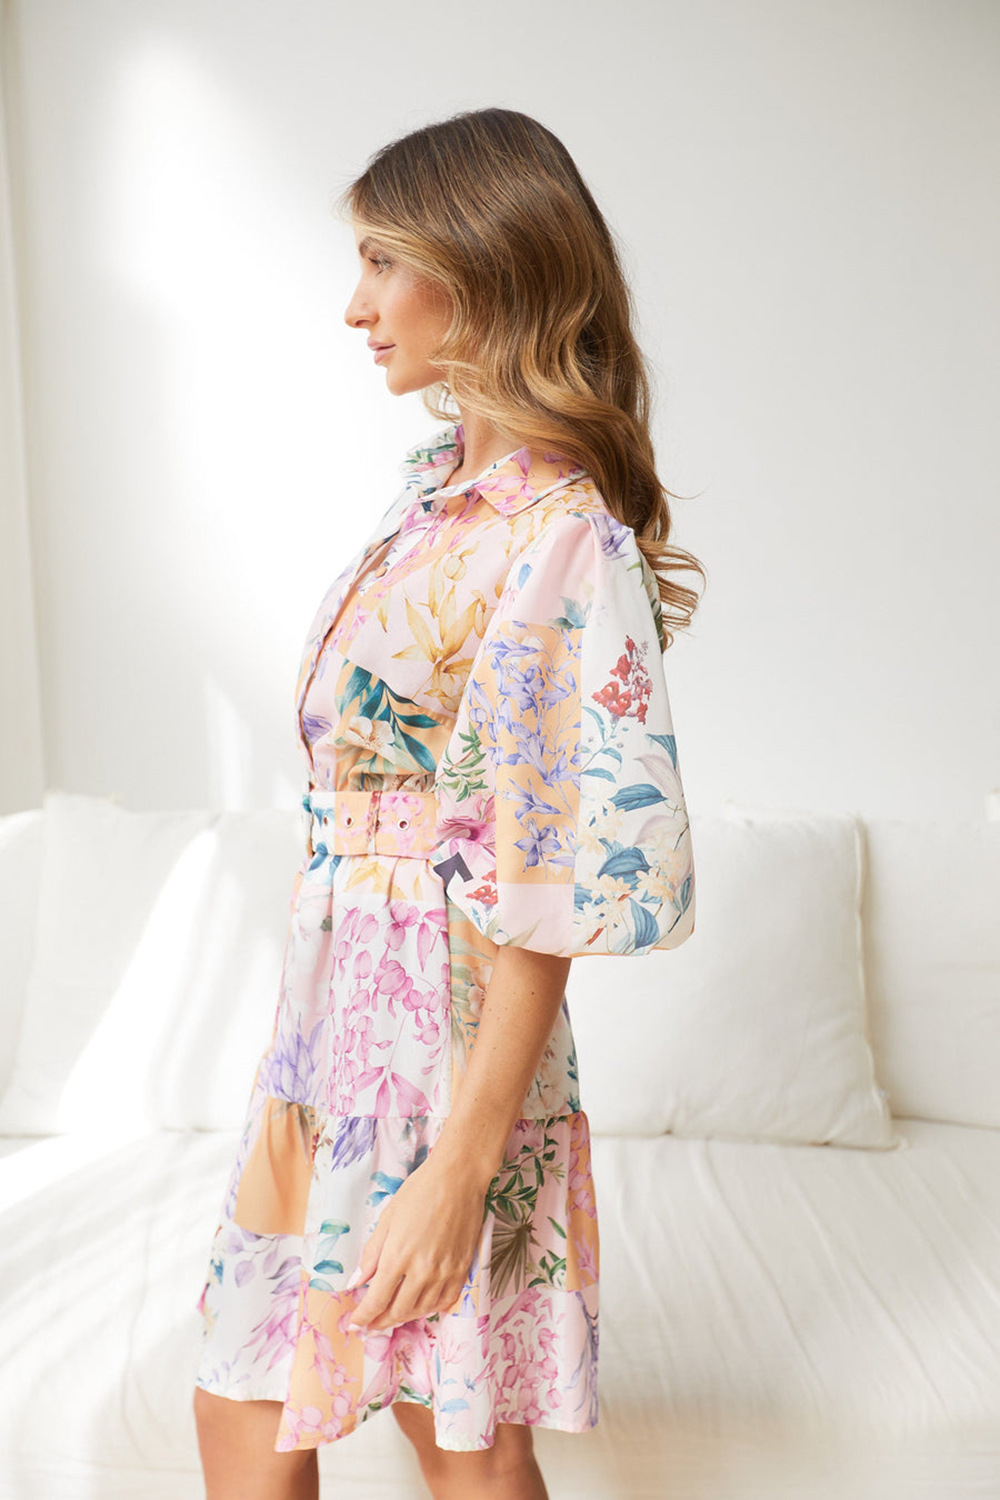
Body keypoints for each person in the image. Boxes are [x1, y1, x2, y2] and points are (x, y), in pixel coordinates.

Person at [192, 106, 705, 1500]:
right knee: (248, 1398)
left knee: (460, 1440)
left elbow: (538, 873)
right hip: (333, 1015)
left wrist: (463, 1166)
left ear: (481, 268)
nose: (355, 306)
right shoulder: (437, 497)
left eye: (383, 261)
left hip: (446, 1033)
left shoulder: (559, 535)